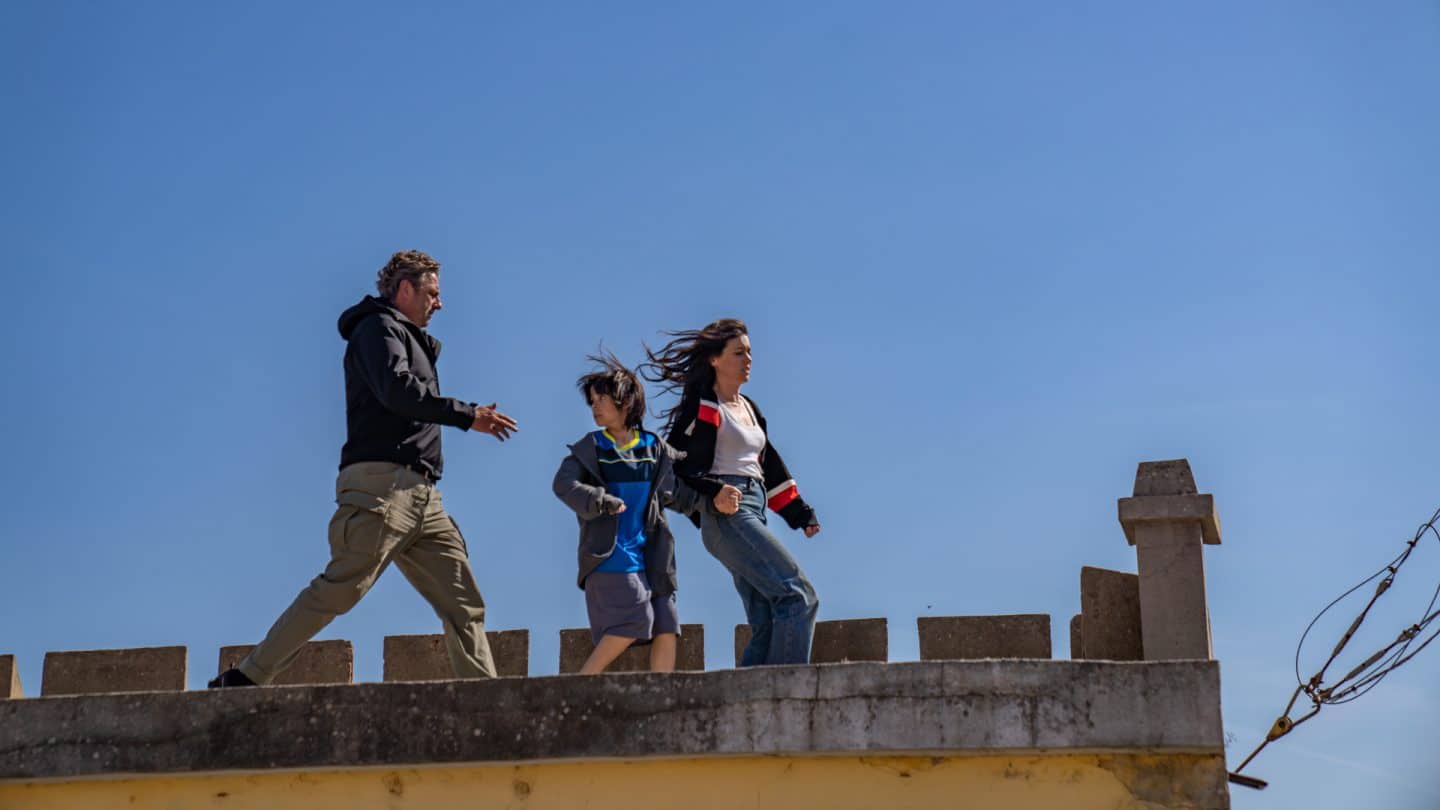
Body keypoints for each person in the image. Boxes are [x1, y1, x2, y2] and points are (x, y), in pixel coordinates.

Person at [209, 250, 519, 688]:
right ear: (405, 289)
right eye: (432, 293)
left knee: (464, 603)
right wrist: (467, 415)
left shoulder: (408, 336)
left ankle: (487, 698)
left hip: (425, 497)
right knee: (340, 589)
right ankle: (246, 679)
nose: (440, 303)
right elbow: (399, 391)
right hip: (383, 488)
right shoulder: (377, 329)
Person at [640, 319, 821, 666]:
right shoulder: (704, 407)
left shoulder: (750, 408)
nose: (748, 359)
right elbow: (672, 465)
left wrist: (800, 513)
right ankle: (785, 695)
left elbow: (769, 466)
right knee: (799, 597)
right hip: (727, 514)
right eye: (739, 353)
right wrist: (712, 494)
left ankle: (752, 709)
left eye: (750, 352)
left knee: (767, 619)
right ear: (714, 360)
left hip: (755, 507)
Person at [552, 353, 709, 674]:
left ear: (626, 402)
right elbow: (563, 484)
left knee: (666, 624)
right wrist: (599, 499)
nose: (595, 406)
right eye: (592, 401)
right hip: (611, 556)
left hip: (653, 557)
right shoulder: (592, 448)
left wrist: (715, 501)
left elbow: (675, 493)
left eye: (602, 399)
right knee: (637, 619)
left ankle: (659, 698)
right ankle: (580, 681)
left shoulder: (653, 448)